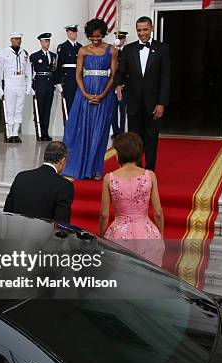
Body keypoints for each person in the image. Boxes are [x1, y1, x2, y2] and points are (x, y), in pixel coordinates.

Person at [62, 18, 118, 180]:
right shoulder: (83, 51)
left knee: (99, 132)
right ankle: (79, 166)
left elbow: (113, 76)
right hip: (84, 94)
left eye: (98, 36)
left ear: (103, 34)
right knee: (81, 129)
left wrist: (103, 94)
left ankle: (95, 169)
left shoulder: (111, 50)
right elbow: (78, 74)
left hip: (104, 94)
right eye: (92, 37)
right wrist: (85, 94)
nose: (95, 40)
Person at [100, 132, 164, 265]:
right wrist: (160, 236)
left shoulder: (109, 178)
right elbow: (158, 212)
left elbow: (104, 214)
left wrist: (101, 237)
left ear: (118, 155)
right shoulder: (150, 176)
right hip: (147, 233)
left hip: (118, 234)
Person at [115, 16, 170, 172]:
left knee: (151, 139)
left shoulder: (162, 48)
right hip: (133, 103)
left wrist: (162, 103)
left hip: (154, 104)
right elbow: (121, 72)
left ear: (152, 29)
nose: (142, 33)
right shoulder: (129, 49)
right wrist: (118, 84)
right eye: (139, 30)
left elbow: (166, 78)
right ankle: (136, 170)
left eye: (145, 29)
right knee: (134, 140)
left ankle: (150, 171)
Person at [3, 141, 74, 223]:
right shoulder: (64, 185)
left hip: (17, 233)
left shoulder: (21, 177)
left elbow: (7, 213)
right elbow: (61, 224)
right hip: (44, 235)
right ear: (63, 160)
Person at [0, 32, 33, 143]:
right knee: (10, 110)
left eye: (19, 39)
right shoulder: (4, 52)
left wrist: (29, 85)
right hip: (10, 83)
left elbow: (28, 70)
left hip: (21, 82)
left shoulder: (24, 53)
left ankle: (15, 133)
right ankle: (9, 132)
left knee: (19, 109)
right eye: (16, 39)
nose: (18, 41)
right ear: (11, 40)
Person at [30, 33, 61, 141]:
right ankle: (39, 132)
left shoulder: (53, 56)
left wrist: (57, 83)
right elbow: (30, 72)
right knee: (40, 109)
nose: (47, 43)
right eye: (45, 41)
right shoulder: (34, 56)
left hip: (49, 84)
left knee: (47, 109)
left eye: (48, 41)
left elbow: (55, 71)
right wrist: (31, 85)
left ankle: (45, 133)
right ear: (41, 42)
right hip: (40, 83)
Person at [56, 25, 83, 116]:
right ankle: (69, 126)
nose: (74, 34)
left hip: (79, 77)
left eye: (75, 32)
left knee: (79, 103)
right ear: (67, 33)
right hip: (68, 78)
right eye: (71, 32)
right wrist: (58, 81)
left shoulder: (80, 47)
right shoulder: (62, 47)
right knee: (69, 103)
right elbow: (59, 65)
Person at [111, 31, 128, 137]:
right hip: (112, 85)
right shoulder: (112, 52)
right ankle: (115, 131)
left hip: (123, 86)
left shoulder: (127, 51)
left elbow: (128, 70)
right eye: (118, 38)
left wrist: (123, 85)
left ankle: (121, 131)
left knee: (122, 111)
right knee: (113, 110)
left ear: (124, 39)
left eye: (121, 38)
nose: (120, 40)